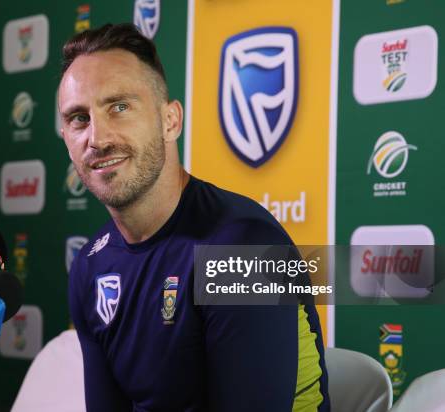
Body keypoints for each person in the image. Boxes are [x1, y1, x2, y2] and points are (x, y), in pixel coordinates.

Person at [58, 23, 330, 411]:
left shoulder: (242, 249)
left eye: (119, 107)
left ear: (171, 121)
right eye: (78, 118)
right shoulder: (91, 266)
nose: (97, 138)